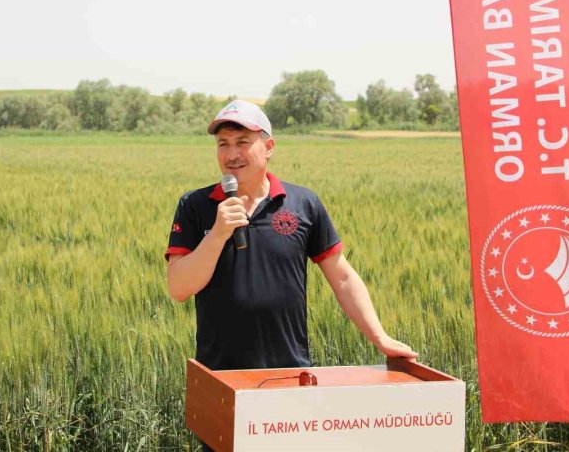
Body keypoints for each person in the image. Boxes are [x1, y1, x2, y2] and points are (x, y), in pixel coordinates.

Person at [165, 100, 417, 448]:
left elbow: (341, 276)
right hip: (221, 377)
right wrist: (219, 232)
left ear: (268, 147)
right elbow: (178, 286)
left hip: (291, 374)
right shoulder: (196, 206)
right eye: (223, 144)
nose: (231, 154)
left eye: (242, 142)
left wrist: (380, 338)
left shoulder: (303, 203)